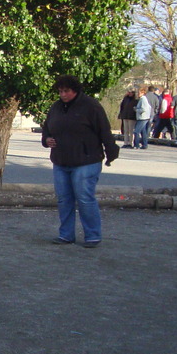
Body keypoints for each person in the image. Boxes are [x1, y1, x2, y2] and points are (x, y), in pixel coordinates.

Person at [41, 75, 119, 247]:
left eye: (66, 91)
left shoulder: (91, 106)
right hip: (61, 160)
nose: (63, 94)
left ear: (75, 90)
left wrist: (111, 152)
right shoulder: (56, 107)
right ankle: (66, 234)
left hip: (86, 160)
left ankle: (92, 235)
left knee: (84, 198)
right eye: (60, 91)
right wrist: (46, 139)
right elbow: (47, 128)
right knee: (63, 199)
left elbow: (104, 131)